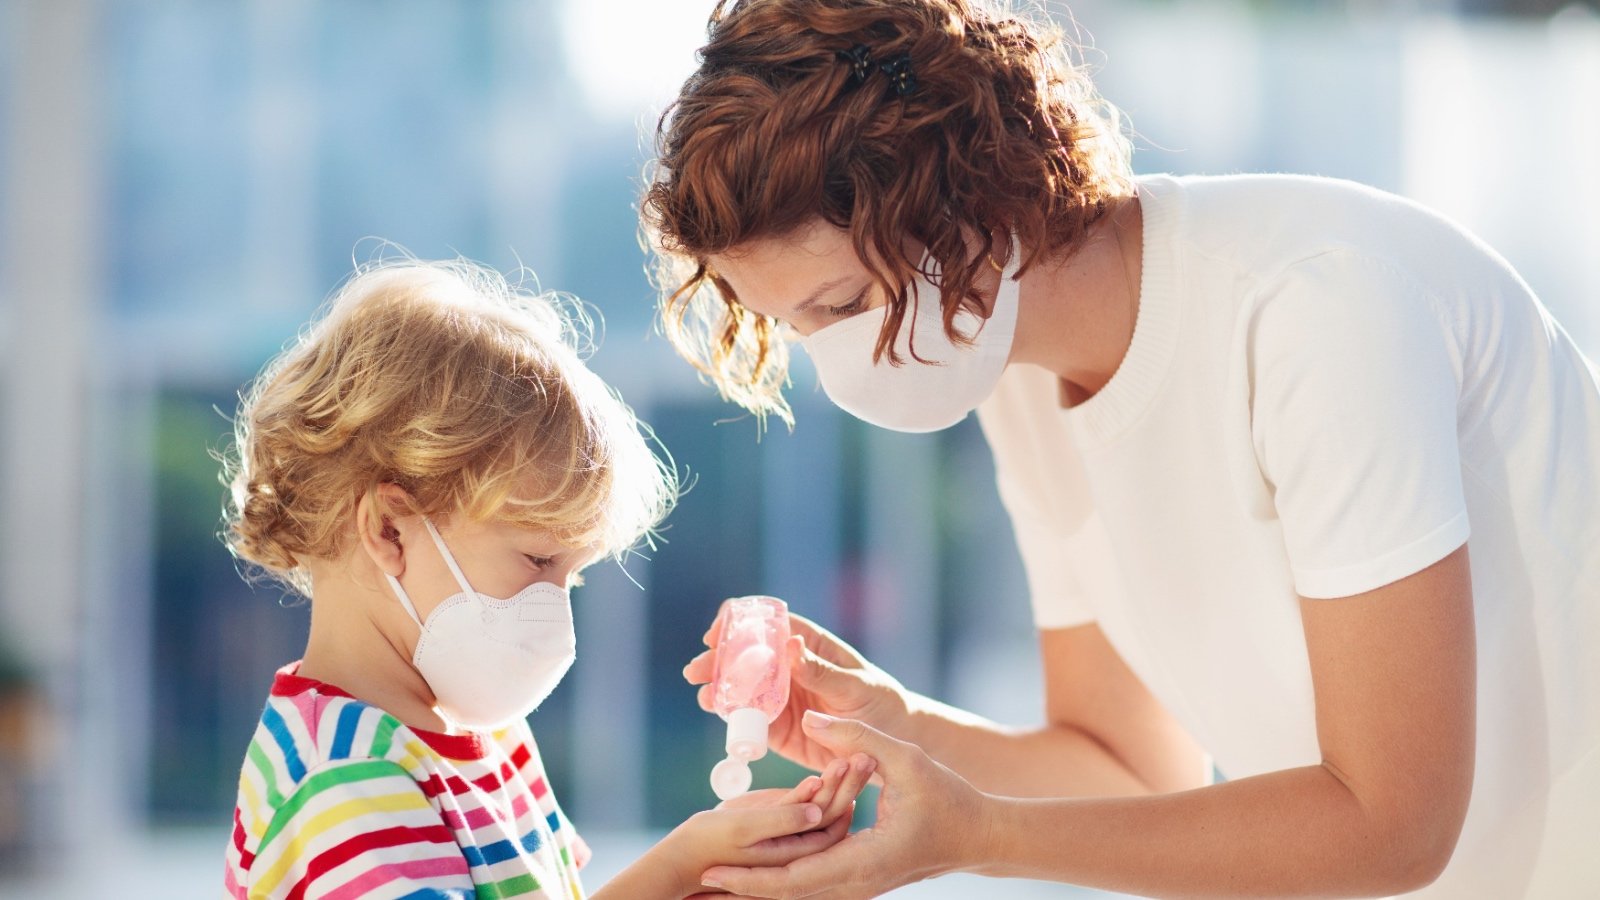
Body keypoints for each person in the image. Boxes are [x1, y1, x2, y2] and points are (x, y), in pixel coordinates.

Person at [640, 1, 1600, 897]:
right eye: (797, 329)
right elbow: (1130, 770)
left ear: (965, 190)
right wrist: (900, 728)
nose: (836, 362)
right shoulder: (1012, 372)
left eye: (843, 306)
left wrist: (982, 836)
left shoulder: (1315, 306)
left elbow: (1395, 824)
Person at [219, 259, 873, 899]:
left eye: (573, 576)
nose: (556, 612)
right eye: (537, 562)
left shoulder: (484, 737)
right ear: (391, 530)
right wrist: (677, 869)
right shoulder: (341, 778)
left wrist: (714, 880)